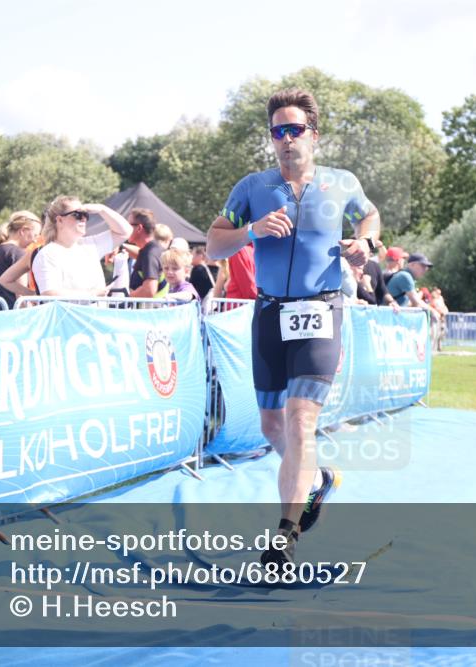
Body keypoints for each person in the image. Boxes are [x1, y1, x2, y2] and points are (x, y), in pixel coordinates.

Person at [206, 88, 380, 567]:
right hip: (268, 314)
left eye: (294, 129)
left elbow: (368, 215)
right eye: (277, 131)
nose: (286, 139)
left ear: (313, 135)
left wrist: (366, 243)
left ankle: (286, 534)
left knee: (301, 419)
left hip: (321, 311)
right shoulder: (252, 188)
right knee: (271, 425)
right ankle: (317, 479)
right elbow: (214, 246)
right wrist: (250, 233)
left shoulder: (341, 182)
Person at [32, 196, 132, 296]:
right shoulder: (47, 254)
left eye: (85, 214)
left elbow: (125, 232)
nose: (84, 219)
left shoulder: (90, 245)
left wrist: (102, 209)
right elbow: (50, 294)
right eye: (78, 215)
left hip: (95, 311)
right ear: (60, 220)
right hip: (68, 312)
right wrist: (92, 294)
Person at [0, 211, 41, 308]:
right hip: (12, 312)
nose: (35, 240)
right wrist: (32, 295)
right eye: (35, 235)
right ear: (23, 231)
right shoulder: (18, 253)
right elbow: (20, 296)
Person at [128, 209, 164, 298]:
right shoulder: (150, 249)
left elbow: (149, 290)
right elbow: (138, 253)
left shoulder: (150, 253)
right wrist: (119, 246)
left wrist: (126, 298)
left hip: (149, 310)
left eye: (128, 225)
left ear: (139, 228)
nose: (125, 229)